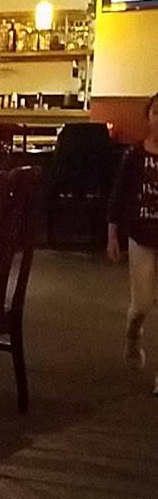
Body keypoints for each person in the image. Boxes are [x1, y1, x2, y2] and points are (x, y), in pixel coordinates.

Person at [107, 91, 158, 392]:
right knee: (141, 305)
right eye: (157, 112)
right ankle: (132, 337)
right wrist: (113, 234)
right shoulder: (134, 156)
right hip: (141, 235)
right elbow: (118, 196)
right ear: (148, 116)